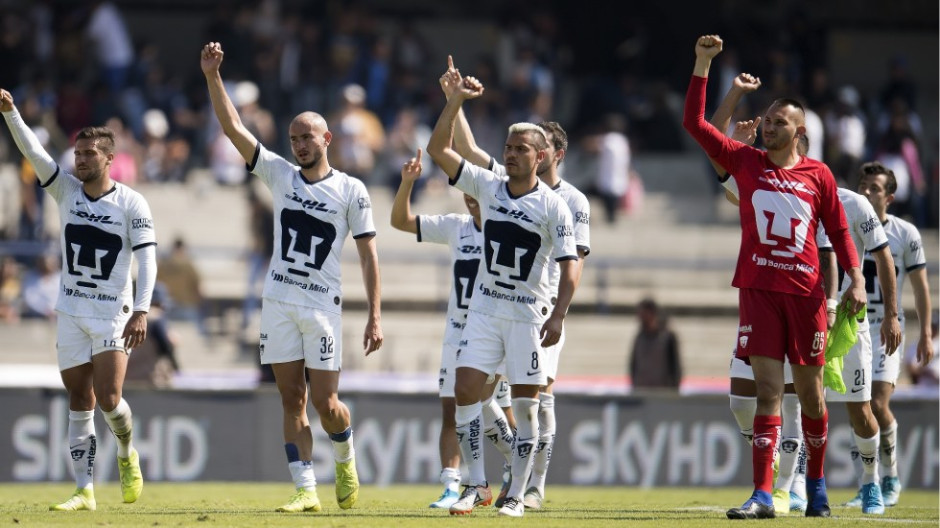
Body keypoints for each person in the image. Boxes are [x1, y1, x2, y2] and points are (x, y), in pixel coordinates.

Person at [682, 35, 867, 519]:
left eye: (778, 122)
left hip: (805, 296)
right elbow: (695, 125)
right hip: (759, 292)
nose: (767, 127)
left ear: (799, 131)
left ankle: (816, 485)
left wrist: (857, 279)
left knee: (810, 395)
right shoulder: (746, 163)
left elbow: (838, 231)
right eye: (766, 121)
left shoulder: (819, 175)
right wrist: (703, 64)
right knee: (767, 391)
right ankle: (763, 494)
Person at [201, 42, 382, 514]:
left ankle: (344, 455)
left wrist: (374, 315)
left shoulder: (351, 190)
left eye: (307, 137)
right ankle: (305, 489)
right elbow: (233, 128)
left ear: (327, 139)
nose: (299, 144)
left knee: (327, 403)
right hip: (279, 302)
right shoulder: (281, 175)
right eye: (293, 138)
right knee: (290, 397)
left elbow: (368, 255)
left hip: (322, 306)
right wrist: (213, 76)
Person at [440, 55, 591, 510]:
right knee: (469, 392)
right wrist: (454, 101)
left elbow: (573, 262)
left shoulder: (565, 203)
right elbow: (454, 150)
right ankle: (478, 484)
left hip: (533, 313)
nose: (509, 154)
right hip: (487, 308)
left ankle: (526, 491)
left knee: (533, 404)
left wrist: (559, 314)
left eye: (520, 148)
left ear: (547, 155)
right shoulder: (493, 183)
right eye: (508, 148)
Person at [1, 89, 155, 511]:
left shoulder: (131, 203)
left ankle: (126, 452)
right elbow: (34, 153)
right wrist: (12, 113)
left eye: (89, 153)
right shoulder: (66, 191)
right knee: (79, 400)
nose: (80, 159)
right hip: (70, 311)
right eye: (77, 152)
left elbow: (148, 259)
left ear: (109, 158)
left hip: (112, 313)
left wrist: (142, 309)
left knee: (109, 398)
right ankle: (84, 490)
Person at [389, 148, 516, 509]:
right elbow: (400, 221)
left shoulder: (511, 227)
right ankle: (453, 485)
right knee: (454, 410)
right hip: (457, 334)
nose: (471, 199)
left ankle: (516, 462)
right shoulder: (455, 227)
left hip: (494, 332)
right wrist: (406, 183)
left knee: (484, 403)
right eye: (466, 192)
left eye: (477, 191)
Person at [850, 161, 934, 507]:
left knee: (877, 403)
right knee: (857, 406)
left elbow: (920, 287)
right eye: (864, 186)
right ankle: (867, 483)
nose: (867, 192)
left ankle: (891, 476)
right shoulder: (848, 225)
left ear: (890, 197)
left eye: (875, 188)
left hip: (887, 328)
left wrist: (925, 333)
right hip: (853, 327)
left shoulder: (905, 233)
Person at [629, 298, 682, 391]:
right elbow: (633, 365)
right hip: (642, 391)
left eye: (643, 314)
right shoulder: (639, 337)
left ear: (652, 313)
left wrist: (673, 389)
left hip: (662, 392)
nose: (640, 318)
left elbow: (675, 367)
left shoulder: (667, 337)